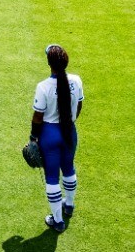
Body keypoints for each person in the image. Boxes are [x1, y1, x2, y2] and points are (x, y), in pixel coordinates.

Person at [30, 44, 83, 234]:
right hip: (70, 131)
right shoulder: (76, 81)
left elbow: (38, 116)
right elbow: (79, 105)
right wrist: (72, 121)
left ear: (49, 63)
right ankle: (69, 206)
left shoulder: (43, 87)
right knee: (69, 168)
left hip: (49, 135)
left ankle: (58, 221)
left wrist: (33, 138)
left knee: (52, 177)